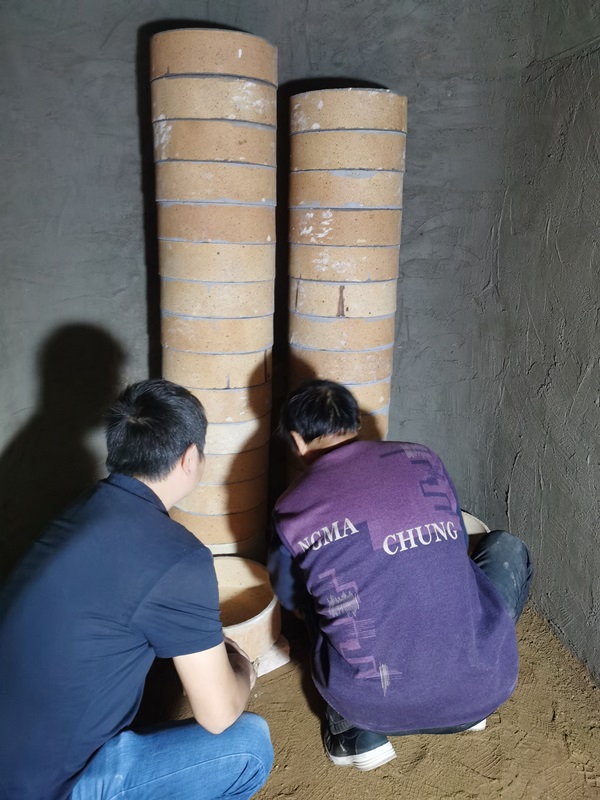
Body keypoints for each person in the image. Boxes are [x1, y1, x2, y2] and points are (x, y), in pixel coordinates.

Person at [0, 378, 273, 799]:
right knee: (249, 747)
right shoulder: (179, 556)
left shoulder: (83, 507)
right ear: (190, 459)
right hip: (45, 788)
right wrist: (243, 669)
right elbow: (218, 715)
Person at [268, 379, 533, 772]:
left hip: (373, 706)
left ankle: (354, 733)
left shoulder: (291, 507)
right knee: (506, 548)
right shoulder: (422, 458)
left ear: (297, 440)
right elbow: (458, 541)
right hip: (483, 688)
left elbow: (288, 595)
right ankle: (464, 688)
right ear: (356, 423)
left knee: (316, 594)